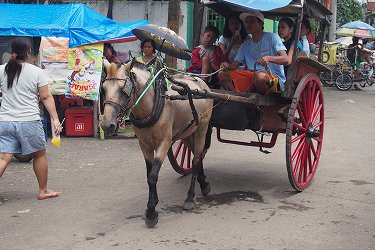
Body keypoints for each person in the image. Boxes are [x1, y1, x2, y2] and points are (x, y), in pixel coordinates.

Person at [0, 37, 61, 200]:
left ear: (12, 52)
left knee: (3, 158)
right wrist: (55, 119)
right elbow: (46, 97)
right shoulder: (36, 72)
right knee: (39, 155)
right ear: (28, 53)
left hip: (5, 121)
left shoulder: (1, 70)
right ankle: (43, 191)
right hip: (29, 121)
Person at [218, 11, 288, 94]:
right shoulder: (246, 44)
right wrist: (225, 65)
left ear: (261, 24)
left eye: (252, 21)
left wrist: (268, 58)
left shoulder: (272, 37)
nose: (248, 25)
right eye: (247, 22)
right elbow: (234, 66)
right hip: (252, 76)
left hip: (273, 78)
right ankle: (238, 98)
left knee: (260, 77)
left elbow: (285, 59)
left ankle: (257, 102)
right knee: (221, 74)